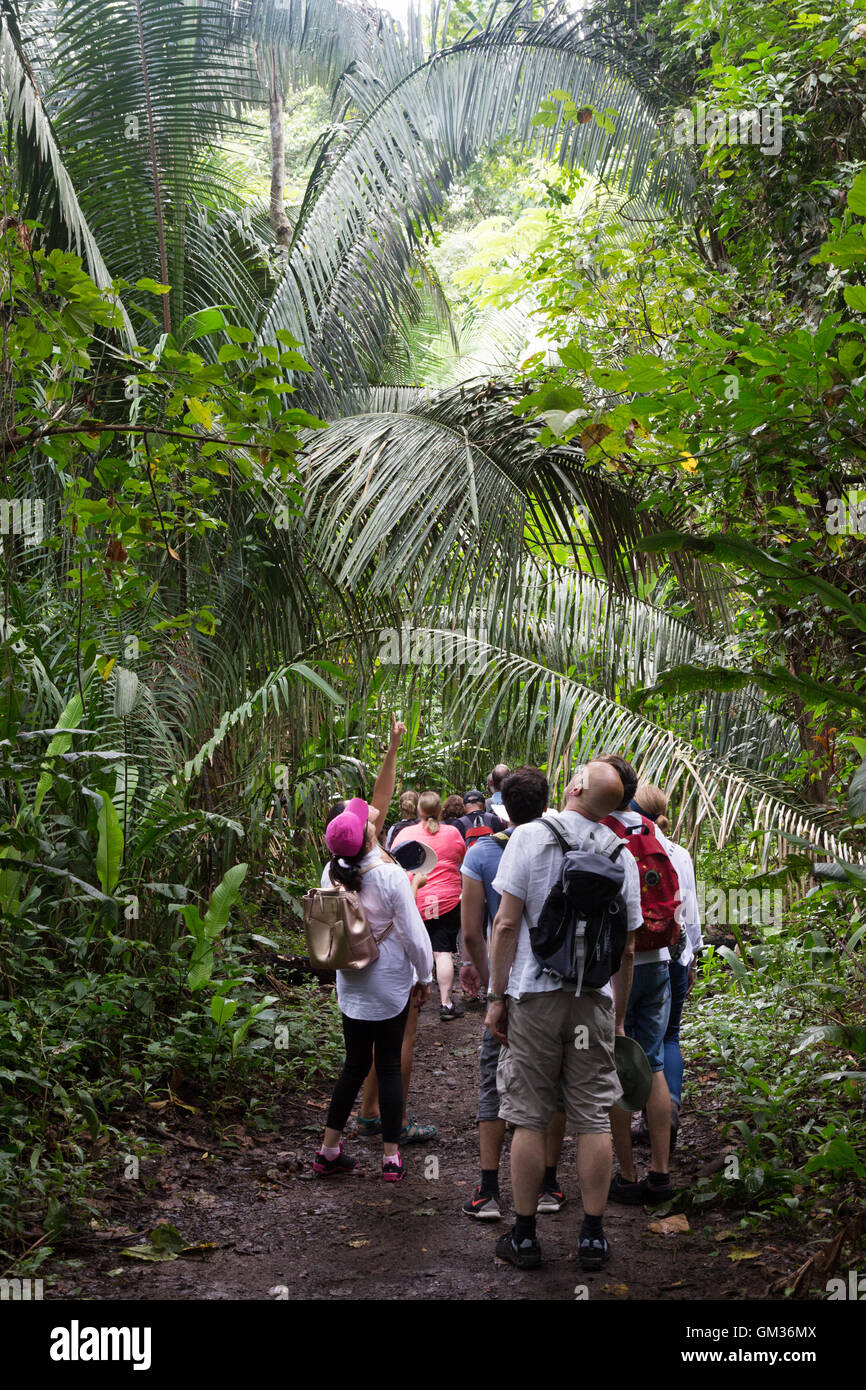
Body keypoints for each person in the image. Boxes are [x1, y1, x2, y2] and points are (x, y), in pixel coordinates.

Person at [485, 760, 641, 1271]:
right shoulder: (622, 851)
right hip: (591, 999)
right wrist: (616, 1018)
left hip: (534, 995)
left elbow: (506, 925)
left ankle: (525, 1235)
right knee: (593, 1115)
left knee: (528, 1115)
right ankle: (593, 1236)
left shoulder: (529, 836)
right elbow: (626, 948)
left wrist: (495, 996)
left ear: (574, 788)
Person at [460, 766, 568, 1220]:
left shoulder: (481, 853)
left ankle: (488, 1190)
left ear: (502, 802)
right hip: (555, 982)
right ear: (545, 805)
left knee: (494, 1081)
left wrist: (491, 986)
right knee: (555, 1084)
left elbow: (472, 932)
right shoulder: (564, 845)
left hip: (510, 984)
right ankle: (548, 1184)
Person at [313, 797, 433, 1183]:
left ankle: (329, 1150)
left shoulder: (329, 872)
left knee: (353, 1065)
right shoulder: (390, 875)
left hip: (351, 981)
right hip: (390, 981)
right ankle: (391, 1159)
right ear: (368, 837)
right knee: (389, 1066)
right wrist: (424, 976)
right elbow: (414, 935)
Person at [329, 718, 435, 1144]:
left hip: (353, 972)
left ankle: (368, 1112)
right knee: (397, 1046)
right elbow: (404, 921)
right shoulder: (384, 870)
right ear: (368, 832)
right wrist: (414, 883)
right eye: (369, 815)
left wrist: (392, 748)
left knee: (361, 1052)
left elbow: (380, 796)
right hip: (391, 969)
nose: (373, 809)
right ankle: (396, 1123)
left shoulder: (340, 863)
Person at [600, 754, 680, 1207]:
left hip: (618, 967)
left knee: (615, 1066)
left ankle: (628, 1175)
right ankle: (661, 1174)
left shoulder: (600, 834)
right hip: (661, 960)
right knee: (650, 1063)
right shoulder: (655, 833)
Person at [631, 782, 703, 1151]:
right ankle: (667, 1108)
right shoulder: (679, 852)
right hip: (675, 954)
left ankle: (637, 1112)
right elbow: (688, 911)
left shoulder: (625, 844)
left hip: (636, 959)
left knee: (634, 1041)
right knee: (669, 1036)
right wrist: (693, 955)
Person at [392, 791, 467, 1021]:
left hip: (416, 898)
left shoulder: (406, 834)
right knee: (442, 951)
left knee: (413, 947)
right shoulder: (453, 833)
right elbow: (462, 858)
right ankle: (446, 1004)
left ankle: (413, 1000)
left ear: (418, 810)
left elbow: (393, 862)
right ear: (440, 810)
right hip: (447, 900)